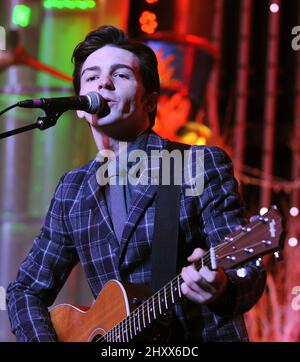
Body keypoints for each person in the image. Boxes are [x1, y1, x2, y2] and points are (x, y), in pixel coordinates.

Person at [6, 25, 266, 342]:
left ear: (149, 102)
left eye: (121, 75)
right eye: (91, 77)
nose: (103, 82)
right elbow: (24, 291)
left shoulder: (196, 165)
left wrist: (223, 285)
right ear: (78, 109)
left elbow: (247, 272)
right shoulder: (72, 190)